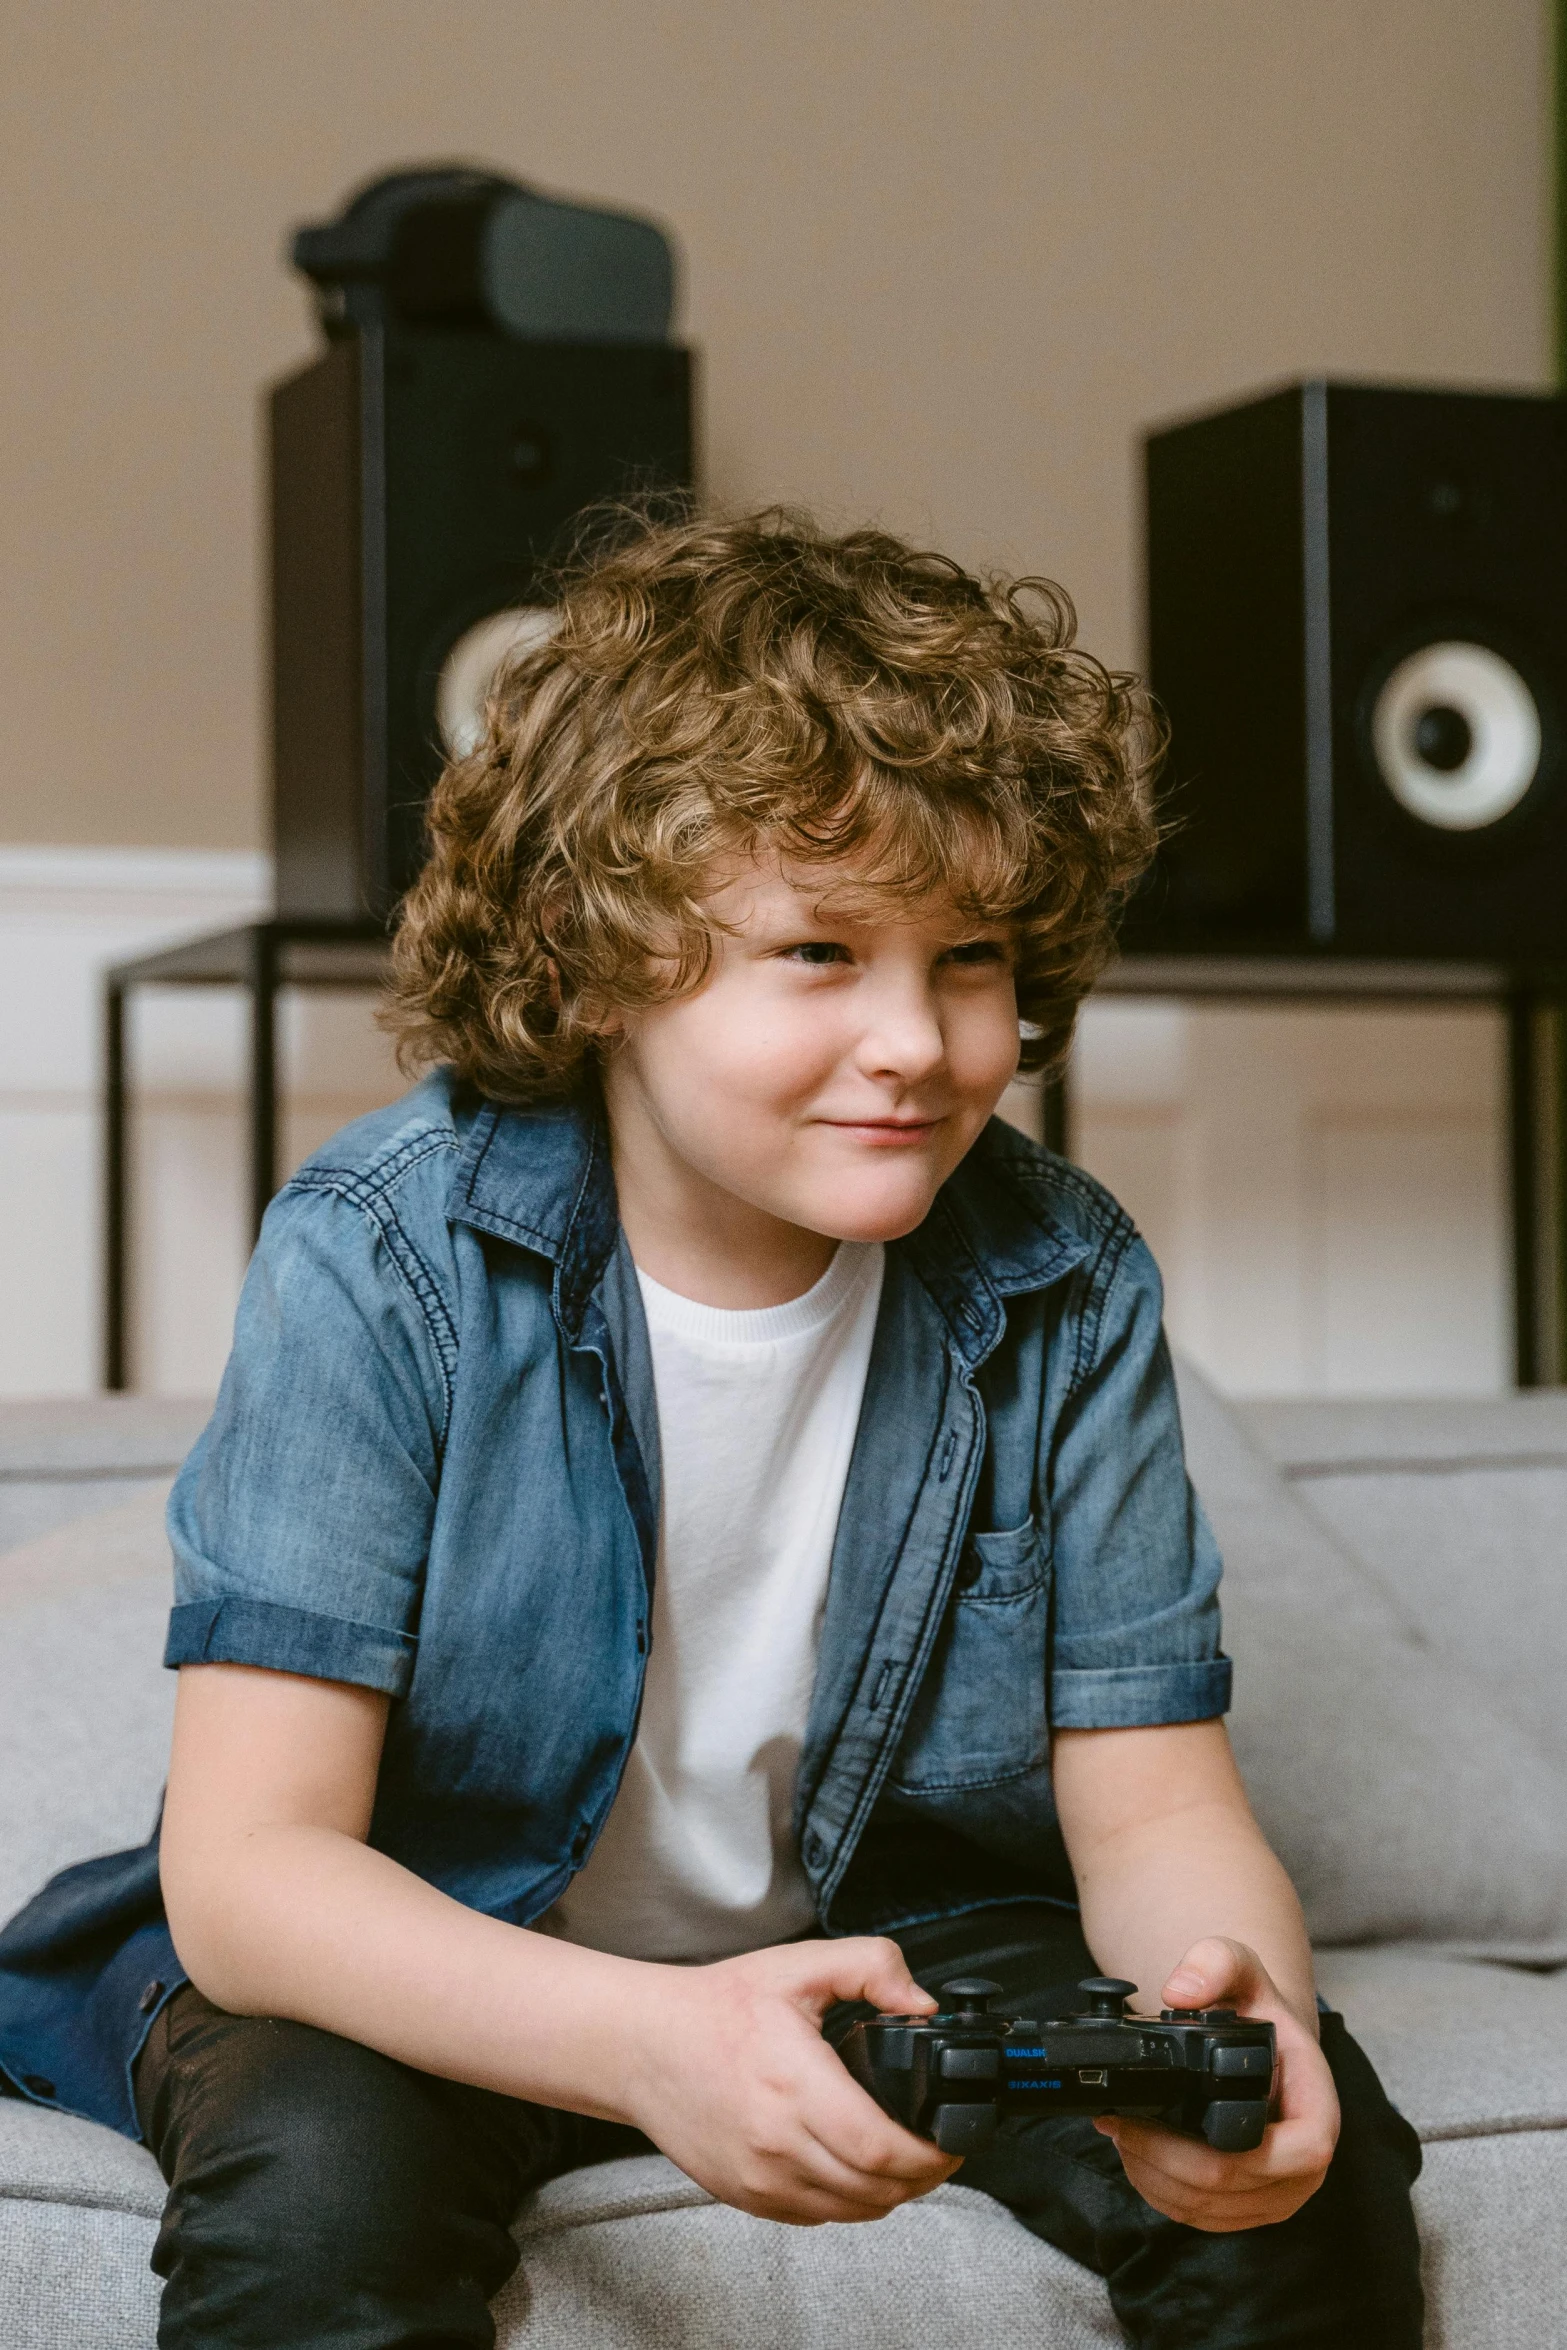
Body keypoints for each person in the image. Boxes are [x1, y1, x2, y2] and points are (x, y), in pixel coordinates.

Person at [0, 510, 1422, 2349]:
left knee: (1312, 2184)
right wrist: (652, 2041)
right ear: (599, 961)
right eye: (819, 950)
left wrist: (1246, 2025)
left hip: (896, 1933)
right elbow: (255, 1873)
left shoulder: (1064, 1278)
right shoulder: (381, 1251)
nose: (915, 1038)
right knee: (315, 2207)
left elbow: (1155, 1805)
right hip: (437, 1945)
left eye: (970, 953)